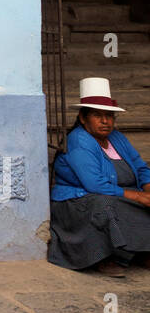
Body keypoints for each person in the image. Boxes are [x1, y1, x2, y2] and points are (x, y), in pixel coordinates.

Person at [49, 76, 150, 278]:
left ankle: (141, 250)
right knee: (105, 205)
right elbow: (94, 184)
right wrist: (138, 197)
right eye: (97, 115)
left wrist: (148, 187)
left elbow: (140, 166)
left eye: (110, 116)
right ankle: (108, 256)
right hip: (80, 201)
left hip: (120, 194)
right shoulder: (79, 141)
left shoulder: (117, 138)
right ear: (83, 117)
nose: (105, 121)